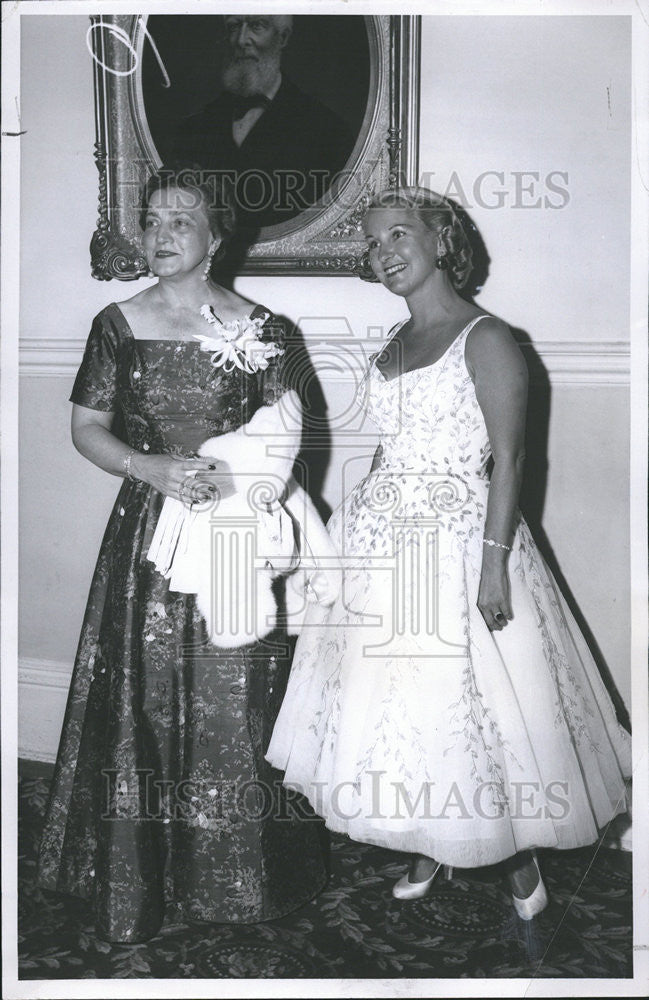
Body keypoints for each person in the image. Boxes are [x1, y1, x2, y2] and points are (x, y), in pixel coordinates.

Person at [266, 187, 632, 920]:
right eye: (371, 243)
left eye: (399, 234)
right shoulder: (390, 345)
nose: (384, 253)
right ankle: (429, 839)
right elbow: (383, 453)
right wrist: (337, 553)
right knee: (397, 707)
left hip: (458, 542)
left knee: (473, 708)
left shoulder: (487, 338)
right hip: (380, 541)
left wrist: (493, 563)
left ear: (441, 241)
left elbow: (511, 457)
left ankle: (517, 857)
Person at [36, 166, 327, 942]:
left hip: (233, 542)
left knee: (237, 699)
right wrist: (152, 467)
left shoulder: (266, 328)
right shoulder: (116, 323)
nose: (160, 235)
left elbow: (289, 442)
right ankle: (141, 879)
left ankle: (237, 876)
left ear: (215, 236)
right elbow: (86, 429)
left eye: (180, 221)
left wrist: (242, 485)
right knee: (146, 699)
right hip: (146, 541)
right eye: (152, 221)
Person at [172, 14, 356, 229]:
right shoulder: (194, 127)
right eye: (234, 26)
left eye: (256, 26)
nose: (241, 40)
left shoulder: (328, 131)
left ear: (283, 37)